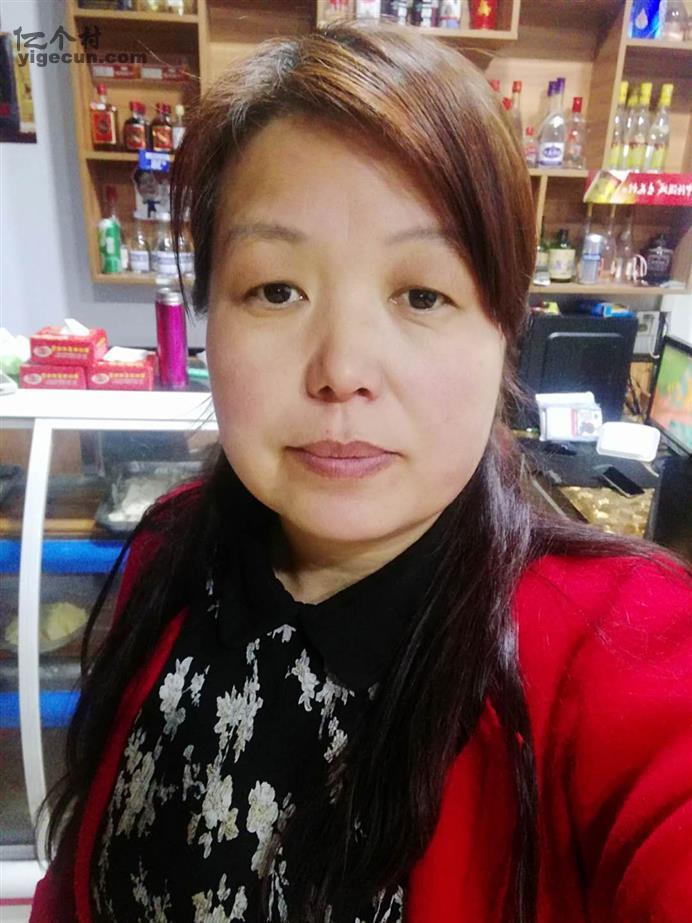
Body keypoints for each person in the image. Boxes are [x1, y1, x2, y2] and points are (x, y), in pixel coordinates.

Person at [32, 20, 692, 923]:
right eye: (276, 289)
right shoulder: (172, 549)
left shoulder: (615, 649)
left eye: (422, 294)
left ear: (504, 332)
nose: (342, 369)